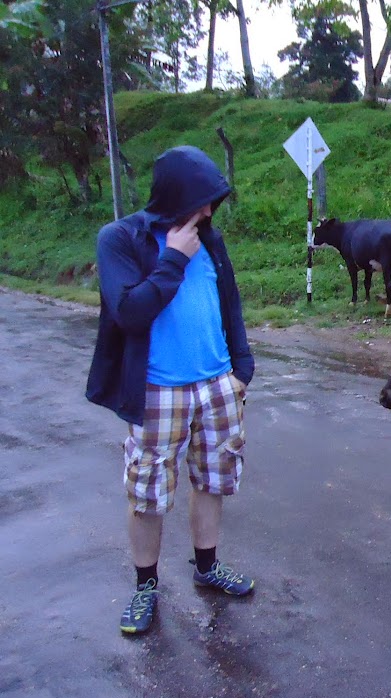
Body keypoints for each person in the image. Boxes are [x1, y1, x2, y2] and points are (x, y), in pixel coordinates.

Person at [86, 145, 255, 635]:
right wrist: (174, 259)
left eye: (213, 201)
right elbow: (129, 312)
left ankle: (207, 568)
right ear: (174, 195)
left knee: (214, 479)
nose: (208, 211)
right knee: (147, 492)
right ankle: (146, 587)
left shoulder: (210, 238)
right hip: (158, 390)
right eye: (201, 200)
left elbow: (230, 302)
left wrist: (241, 368)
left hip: (218, 384)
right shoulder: (121, 239)